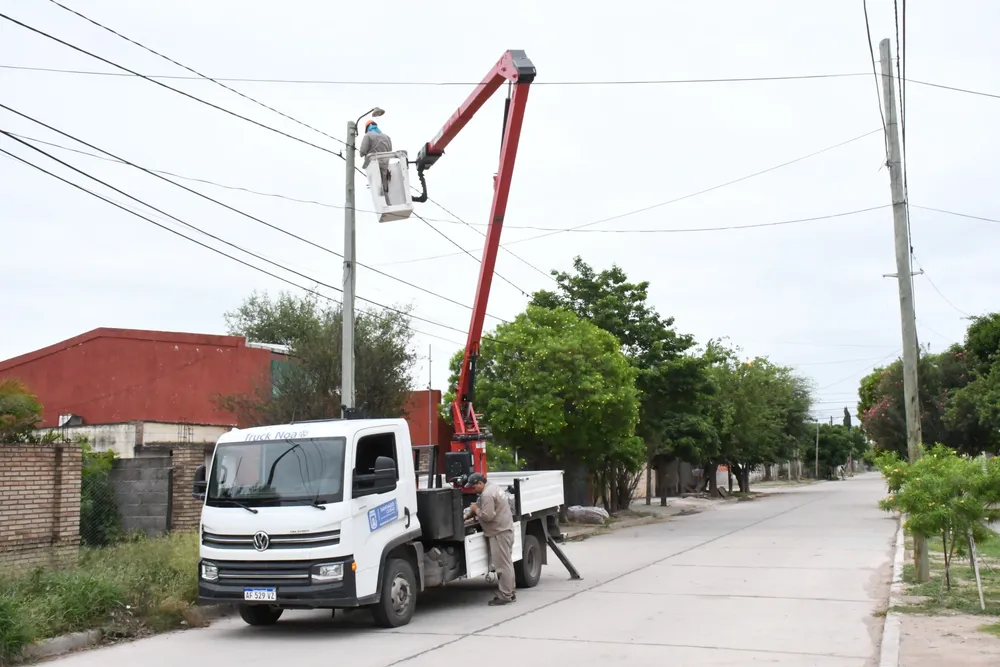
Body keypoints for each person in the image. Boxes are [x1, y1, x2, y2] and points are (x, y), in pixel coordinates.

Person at [465, 472, 516, 605]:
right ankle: (510, 592)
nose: (473, 489)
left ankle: (505, 595)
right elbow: (481, 506)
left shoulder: (487, 494)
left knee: (502, 566)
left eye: (474, 486)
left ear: (480, 483)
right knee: (507, 563)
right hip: (506, 529)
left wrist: (475, 510)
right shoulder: (493, 487)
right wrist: (467, 516)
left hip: (499, 533)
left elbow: (487, 516)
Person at [358, 119, 393, 204]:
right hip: (385, 165)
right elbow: (390, 151)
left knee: (377, 187)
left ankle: (383, 206)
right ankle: (388, 204)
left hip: (373, 164)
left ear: (368, 128)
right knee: (384, 187)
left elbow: (362, 152)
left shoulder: (368, 135)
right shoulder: (387, 137)